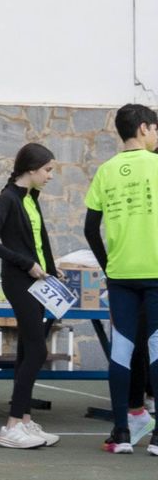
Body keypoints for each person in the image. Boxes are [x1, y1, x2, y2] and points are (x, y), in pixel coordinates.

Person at [84, 103, 158, 455]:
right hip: (156, 273)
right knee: (157, 348)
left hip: (121, 275)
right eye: (156, 129)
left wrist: (109, 264)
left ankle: (121, 433)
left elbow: (89, 228)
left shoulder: (105, 171)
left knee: (122, 351)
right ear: (143, 128)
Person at [0, 143, 60, 450]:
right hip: (19, 281)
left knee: (29, 349)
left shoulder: (31, 197)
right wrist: (25, 263)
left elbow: (41, 239)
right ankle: (12, 425)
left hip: (38, 282)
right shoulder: (8, 198)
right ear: (31, 169)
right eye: (47, 170)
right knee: (37, 351)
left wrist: (52, 268)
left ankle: (25, 422)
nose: (50, 176)